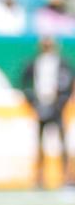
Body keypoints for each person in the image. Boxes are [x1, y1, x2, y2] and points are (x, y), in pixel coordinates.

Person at [21, 37, 74, 189]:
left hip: (57, 107)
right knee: (39, 143)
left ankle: (66, 177)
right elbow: (25, 82)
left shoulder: (62, 63)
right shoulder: (34, 62)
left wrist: (60, 103)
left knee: (62, 143)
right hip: (40, 105)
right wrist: (33, 102)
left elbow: (68, 84)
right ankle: (39, 177)